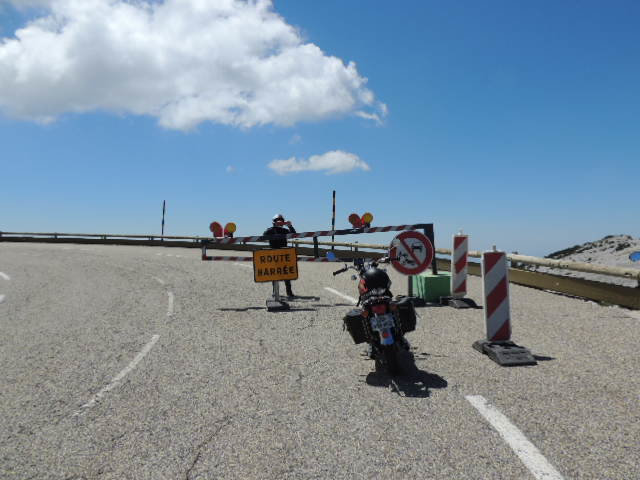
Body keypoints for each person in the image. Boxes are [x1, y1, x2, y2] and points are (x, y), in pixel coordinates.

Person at [263, 213, 296, 297]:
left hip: (284, 255)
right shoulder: (270, 230)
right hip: (273, 255)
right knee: (274, 274)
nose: (280, 222)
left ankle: (289, 292)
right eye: (278, 220)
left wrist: (290, 226)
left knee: (286, 273)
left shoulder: (285, 230)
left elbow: (294, 235)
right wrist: (274, 226)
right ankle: (275, 291)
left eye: (281, 220)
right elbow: (264, 236)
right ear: (274, 222)